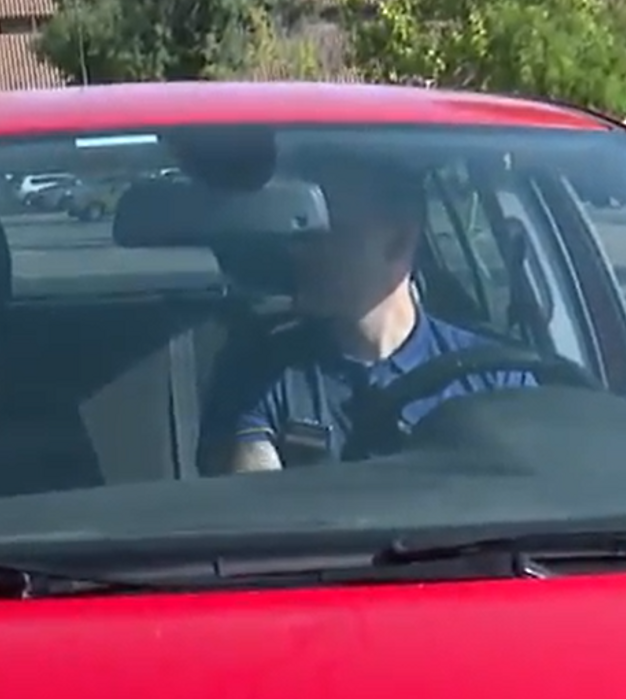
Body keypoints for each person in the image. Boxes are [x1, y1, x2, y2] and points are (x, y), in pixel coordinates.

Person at [203, 157, 538, 473]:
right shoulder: (259, 373)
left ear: (399, 241)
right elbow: (261, 519)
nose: (298, 249)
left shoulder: (498, 378)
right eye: (300, 230)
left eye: (325, 232)